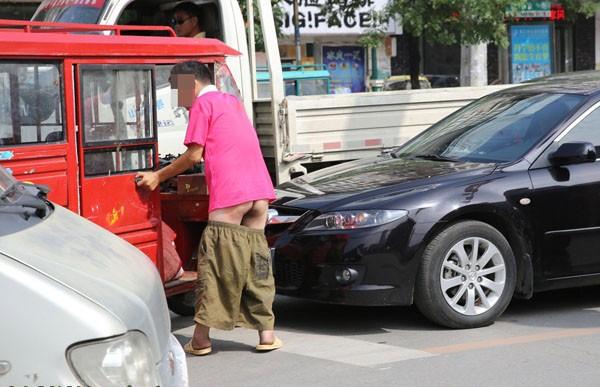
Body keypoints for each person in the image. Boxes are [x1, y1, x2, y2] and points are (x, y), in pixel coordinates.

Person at [136, 61, 281, 356]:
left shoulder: (203, 105)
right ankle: (267, 335)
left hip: (231, 194)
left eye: (178, 89)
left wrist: (157, 176)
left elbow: (194, 155)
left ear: (191, 84)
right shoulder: (231, 102)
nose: (178, 98)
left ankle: (201, 339)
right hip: (259, 193)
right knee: (257, 266)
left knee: (215, 267)